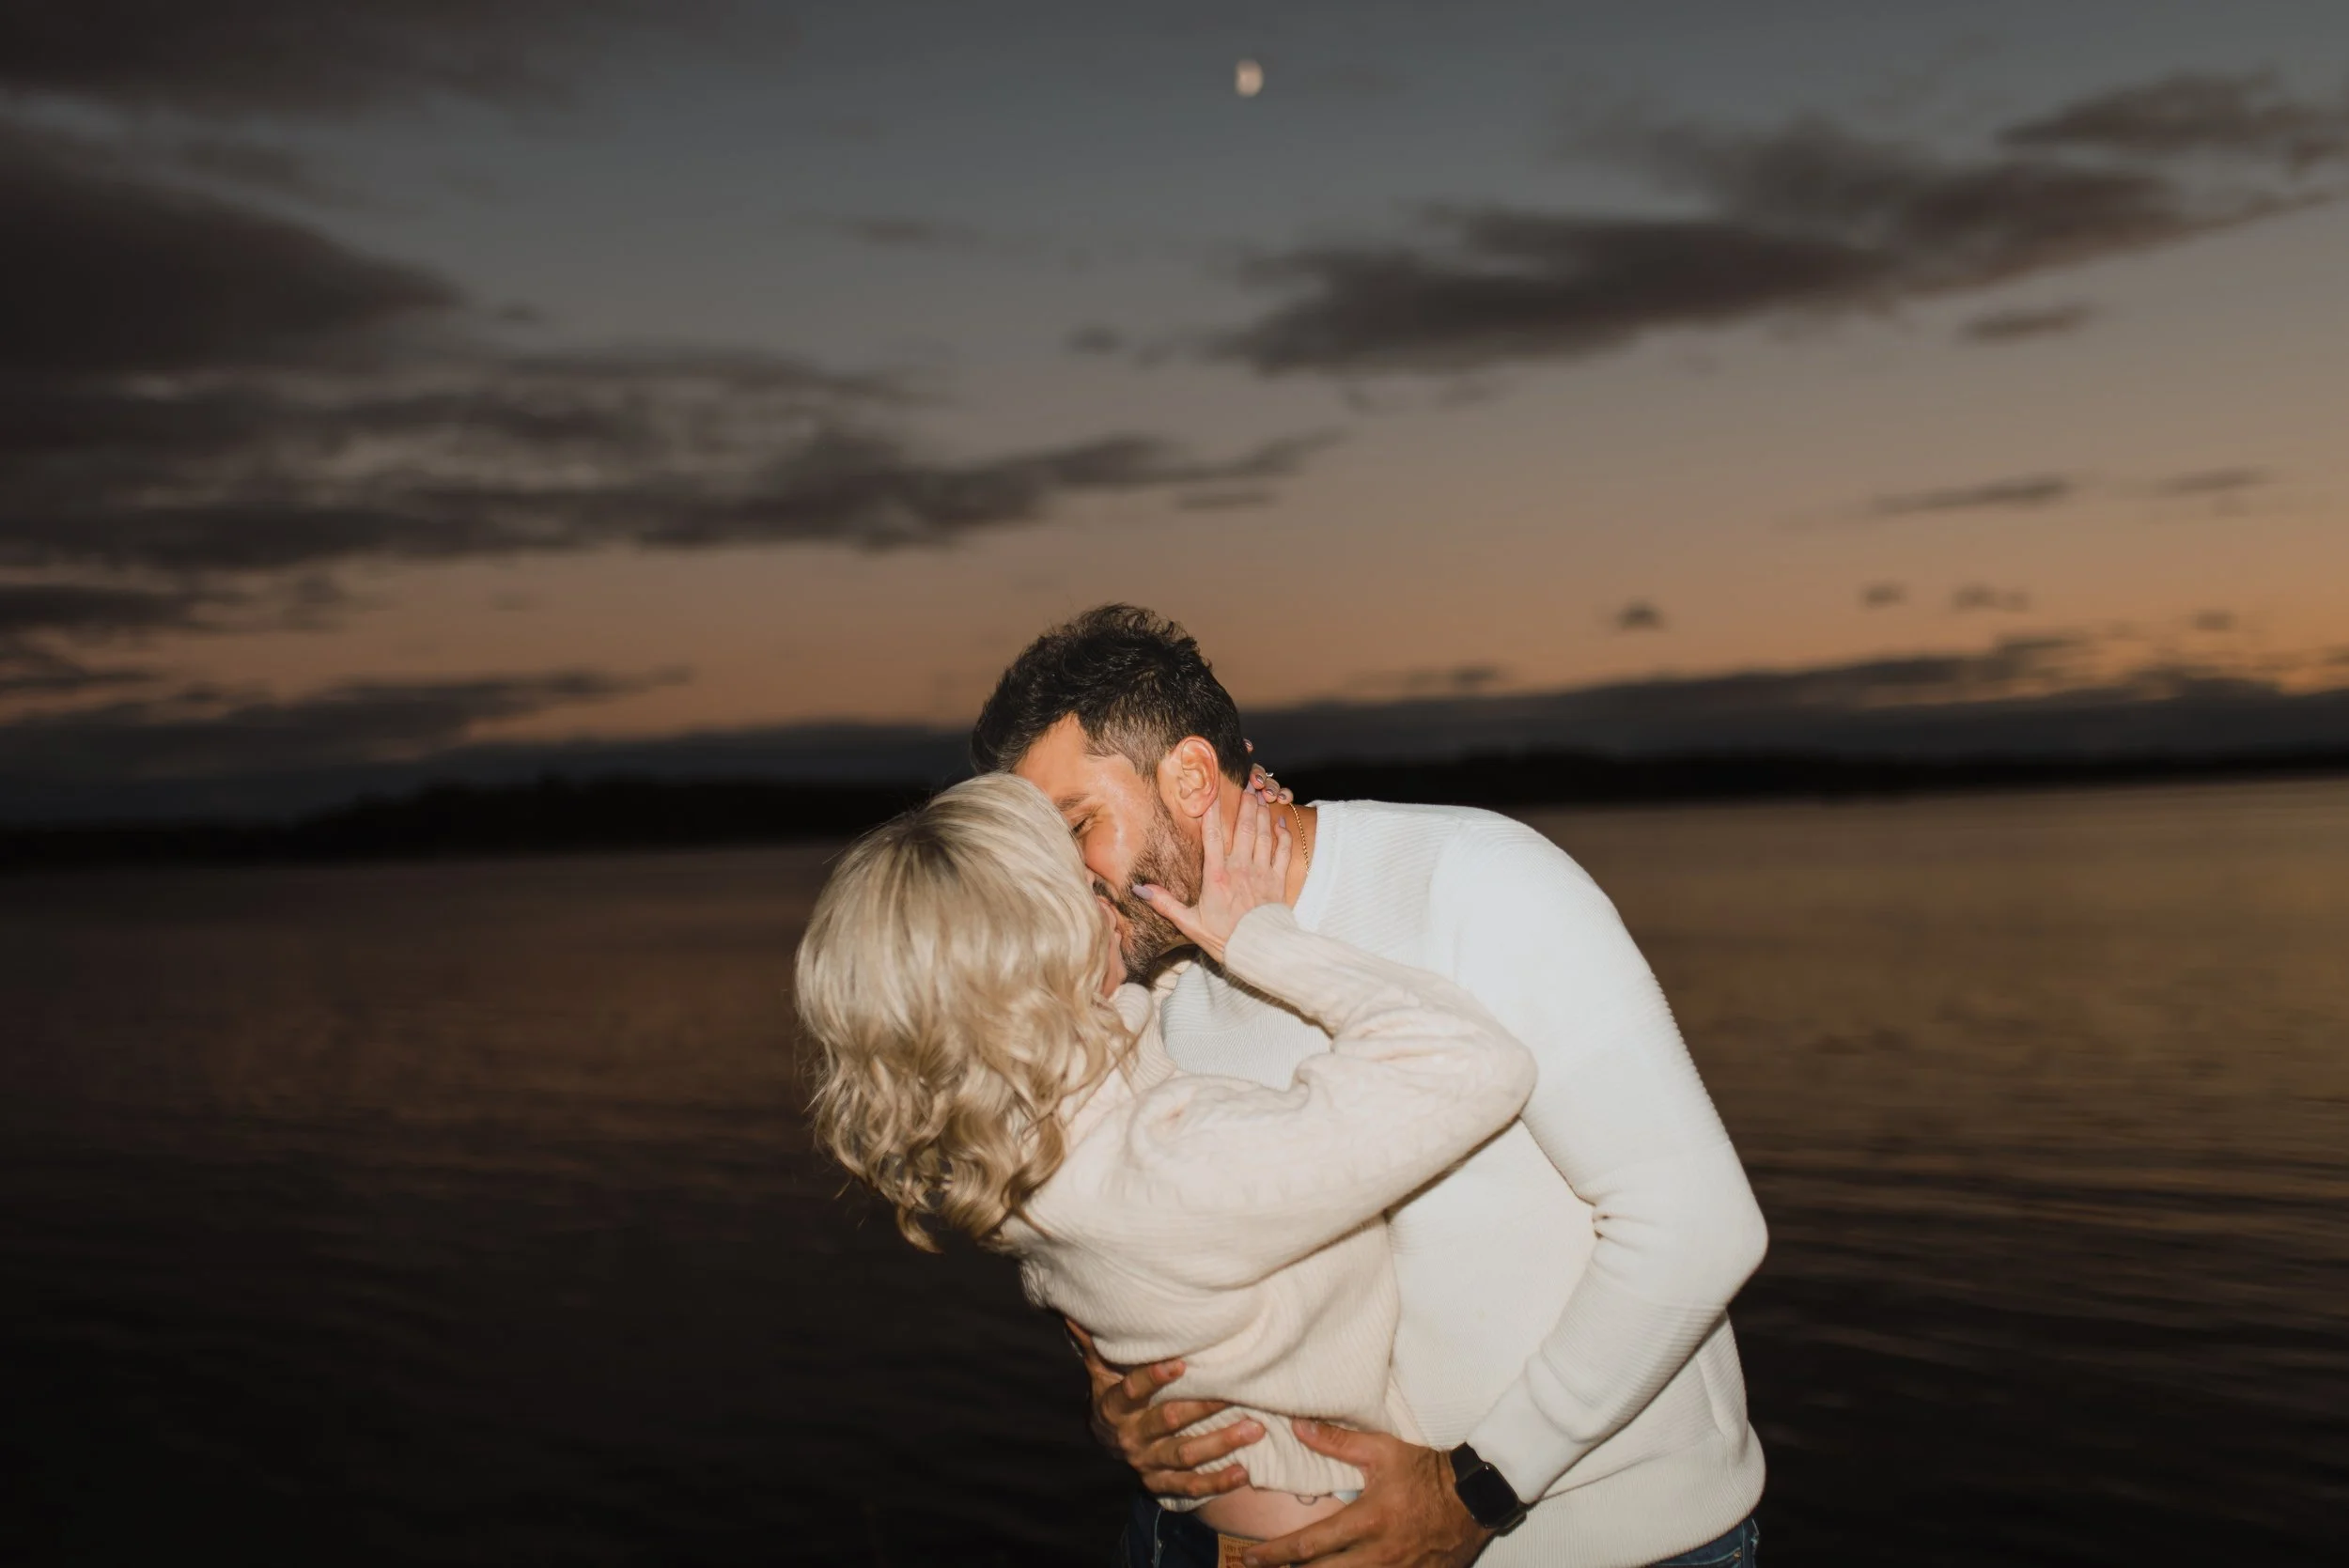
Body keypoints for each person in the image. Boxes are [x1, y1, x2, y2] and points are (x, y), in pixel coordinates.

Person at [970, 606, 1769, 1568]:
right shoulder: (1139, 982)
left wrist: (1478, 1486)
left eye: (1077, 828)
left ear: (1188, 776)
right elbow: (1113, 1237)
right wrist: (1120, 1397)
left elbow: (1694, 1223)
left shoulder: (1478, 884)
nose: (1057, 884)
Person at [798, 772, 1540, 1563]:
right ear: (1040, 953)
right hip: (1316, 1542)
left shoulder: (1015, 1132)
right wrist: (1262, 937)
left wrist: (1205, 868)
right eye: (1083, 886)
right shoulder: (1168, 1165)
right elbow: (1476, 1064)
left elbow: (1129, 1029)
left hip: (1196, 1528)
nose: (1109, 891)